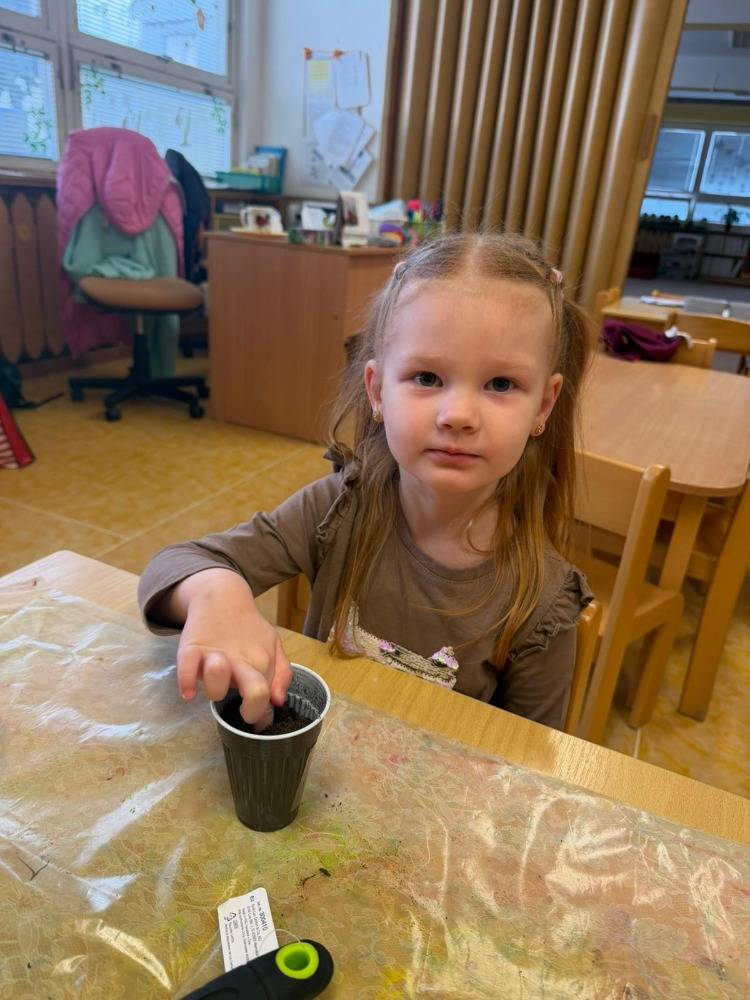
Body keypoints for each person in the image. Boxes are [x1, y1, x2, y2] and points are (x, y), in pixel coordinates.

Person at [138, 232, 592, 732]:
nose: (458, 415)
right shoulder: (338, 508)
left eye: (501, 384)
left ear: (543, 406)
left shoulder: (542, 600)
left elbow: (528, 759)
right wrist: (215, 594)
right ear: (377, 391)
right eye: (427, 378)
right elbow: (175, 565)